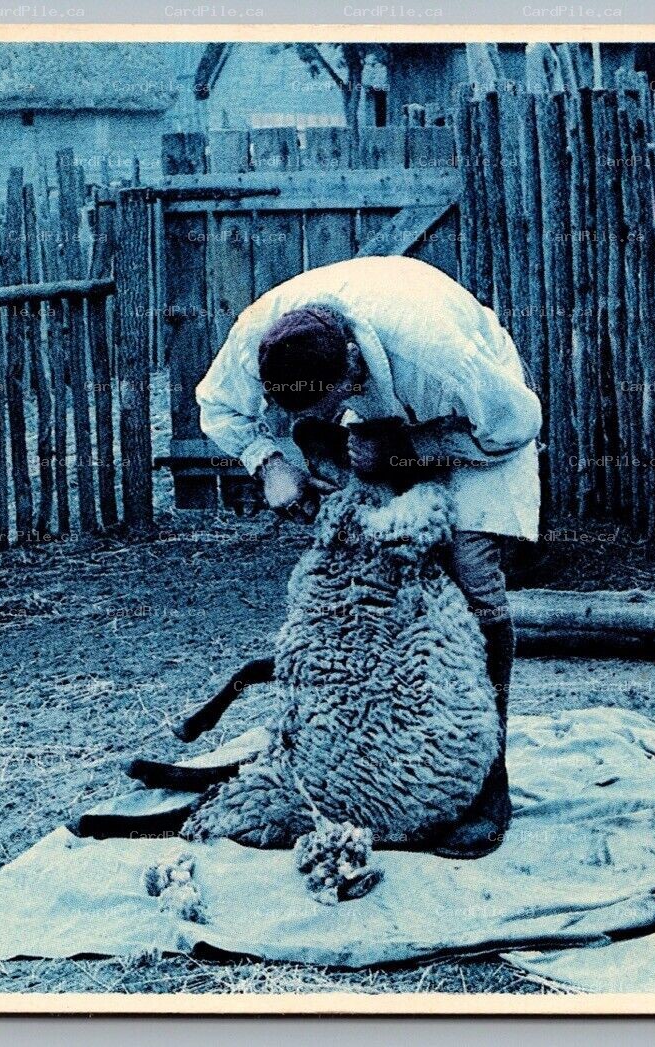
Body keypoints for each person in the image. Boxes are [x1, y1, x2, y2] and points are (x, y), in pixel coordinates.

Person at [194, 255, 542, 857]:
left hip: (473, 423)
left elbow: (516, 422)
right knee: (369, 576)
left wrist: (408, 448)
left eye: (323, 403)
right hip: (376, 421)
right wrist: (269, 463)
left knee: (469, 579)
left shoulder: (437, 351)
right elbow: (216, 405)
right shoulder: (259, 337)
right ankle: (382, 746)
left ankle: (488, 780)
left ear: (351, 364)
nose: (312, 418)